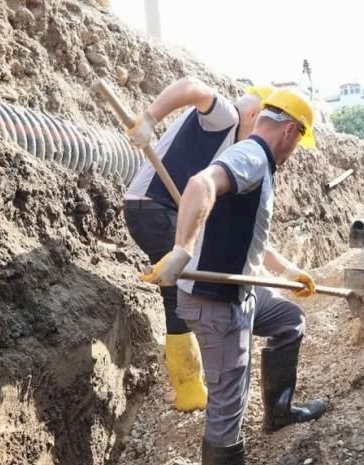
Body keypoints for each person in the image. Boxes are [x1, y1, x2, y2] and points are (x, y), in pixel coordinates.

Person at [140, 89, 324, 464]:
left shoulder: (255, 162)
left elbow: (250, 233)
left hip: (241, 292)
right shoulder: (252, 157)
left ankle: (279, 410)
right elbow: (199, 185)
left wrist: (289, 271)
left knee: (290, 320)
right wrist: (182, 250)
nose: (292, 153)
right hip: (217, 302)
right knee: (228, 408)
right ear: (290, 131)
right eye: (297, 143)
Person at [123, 76, 273, 412]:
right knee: (179, 292)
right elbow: (192, 86)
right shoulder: (227, 117)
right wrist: (149, 119)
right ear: (255, 116)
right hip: (151, 206)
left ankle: (192, 383)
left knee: (179, 288)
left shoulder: (231, 149)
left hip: (160, 209)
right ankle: (189, 387)